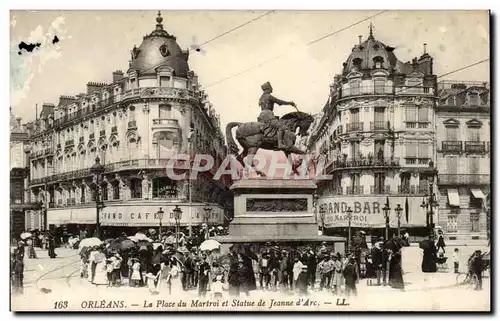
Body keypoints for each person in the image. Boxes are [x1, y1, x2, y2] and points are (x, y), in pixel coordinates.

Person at [258, 81, 297, 150]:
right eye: (270, 88)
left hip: (261, 115)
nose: (272, 89)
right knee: (281, 126)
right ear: (268, 89)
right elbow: (280, 102)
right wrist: (290, 103)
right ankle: (280, 144)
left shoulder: (261, 98)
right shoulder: (269, 96)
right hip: (268, 114)